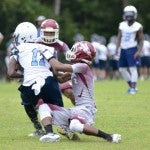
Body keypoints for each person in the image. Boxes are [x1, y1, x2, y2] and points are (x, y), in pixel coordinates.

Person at [36, 41, 121, 143]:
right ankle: (50, 134)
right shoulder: (79, 68)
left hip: (87, 108)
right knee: (43, 106)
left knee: (75, 125)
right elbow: (60, 78)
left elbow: (58, 67)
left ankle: (109, 136)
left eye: (74, 51)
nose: (72, 53)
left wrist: (47, 53)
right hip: (78, 108)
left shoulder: (83, 67)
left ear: (81, 53)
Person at [7, 22, 64, 137]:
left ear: (21, 36)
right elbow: (55, 71)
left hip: (30, 83)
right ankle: (66, 127)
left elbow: (11, 73)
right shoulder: (48, 48)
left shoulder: (17, 48)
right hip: (50, 82)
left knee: (27, 101)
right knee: (57, 109)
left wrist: (25, 75)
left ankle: (38, 128)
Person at [36, 19, 75, 105]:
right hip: (39, 75)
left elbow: (70, 56)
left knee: (70, 92)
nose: (49, 35)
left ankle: (82, 111)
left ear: (56, 32)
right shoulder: (35, 42)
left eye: (51, 33)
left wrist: (72, 60)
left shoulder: (61, 44)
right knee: (38, 101)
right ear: (42, 32)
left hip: (55, 74)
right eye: (47, 32)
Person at [116, 5, 143, 94]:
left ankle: (133, 88)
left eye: (130, 14)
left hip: (132, 49)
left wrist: (139, 51)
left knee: (132, 68)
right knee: (122, 69)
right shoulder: (122, 25)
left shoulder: (138, 26)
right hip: (123, 49)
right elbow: (119, 37)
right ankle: (131, 87)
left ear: (134, 15)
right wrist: (117, 49)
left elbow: (141, 40)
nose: (128, 16)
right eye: (127, 14)